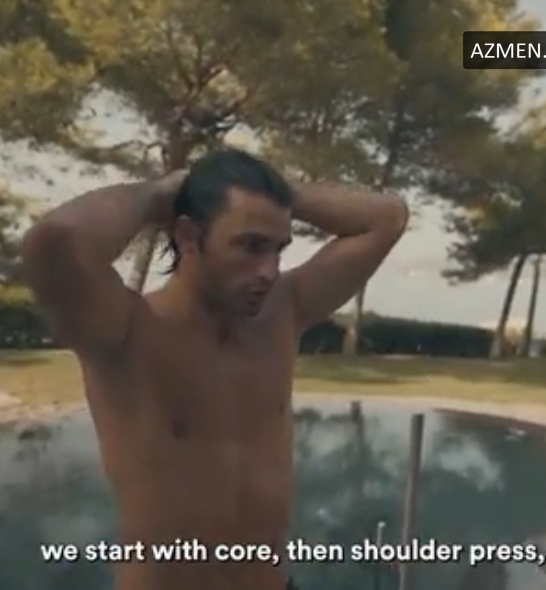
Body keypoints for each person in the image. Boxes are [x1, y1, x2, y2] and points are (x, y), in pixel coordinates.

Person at [20, 148, 409, 590]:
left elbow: (387, 218)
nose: (269, 271)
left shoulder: (284, 311)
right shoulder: (125, 331)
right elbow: (53, 240)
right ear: (189, 237)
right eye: (251, 246)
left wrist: (273, 191)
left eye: (278, 250)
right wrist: (158, 194)